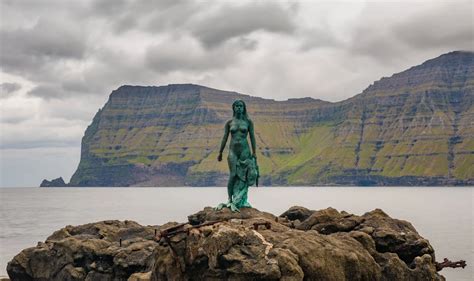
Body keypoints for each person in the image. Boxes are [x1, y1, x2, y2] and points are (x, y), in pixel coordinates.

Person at [216, 100, 258, 212]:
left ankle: (241, 200)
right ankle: (230, 199)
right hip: (233, 151)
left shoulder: (248, 122)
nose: (239, 108)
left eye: (241, 106)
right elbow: (225, 137)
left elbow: (252, 137)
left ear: (244, 108)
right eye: (236, 106)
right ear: (233, 108)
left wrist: (254, 153)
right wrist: (220, 152)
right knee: (233, 174)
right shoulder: (229, 123)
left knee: (244, 176)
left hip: (245, 150)